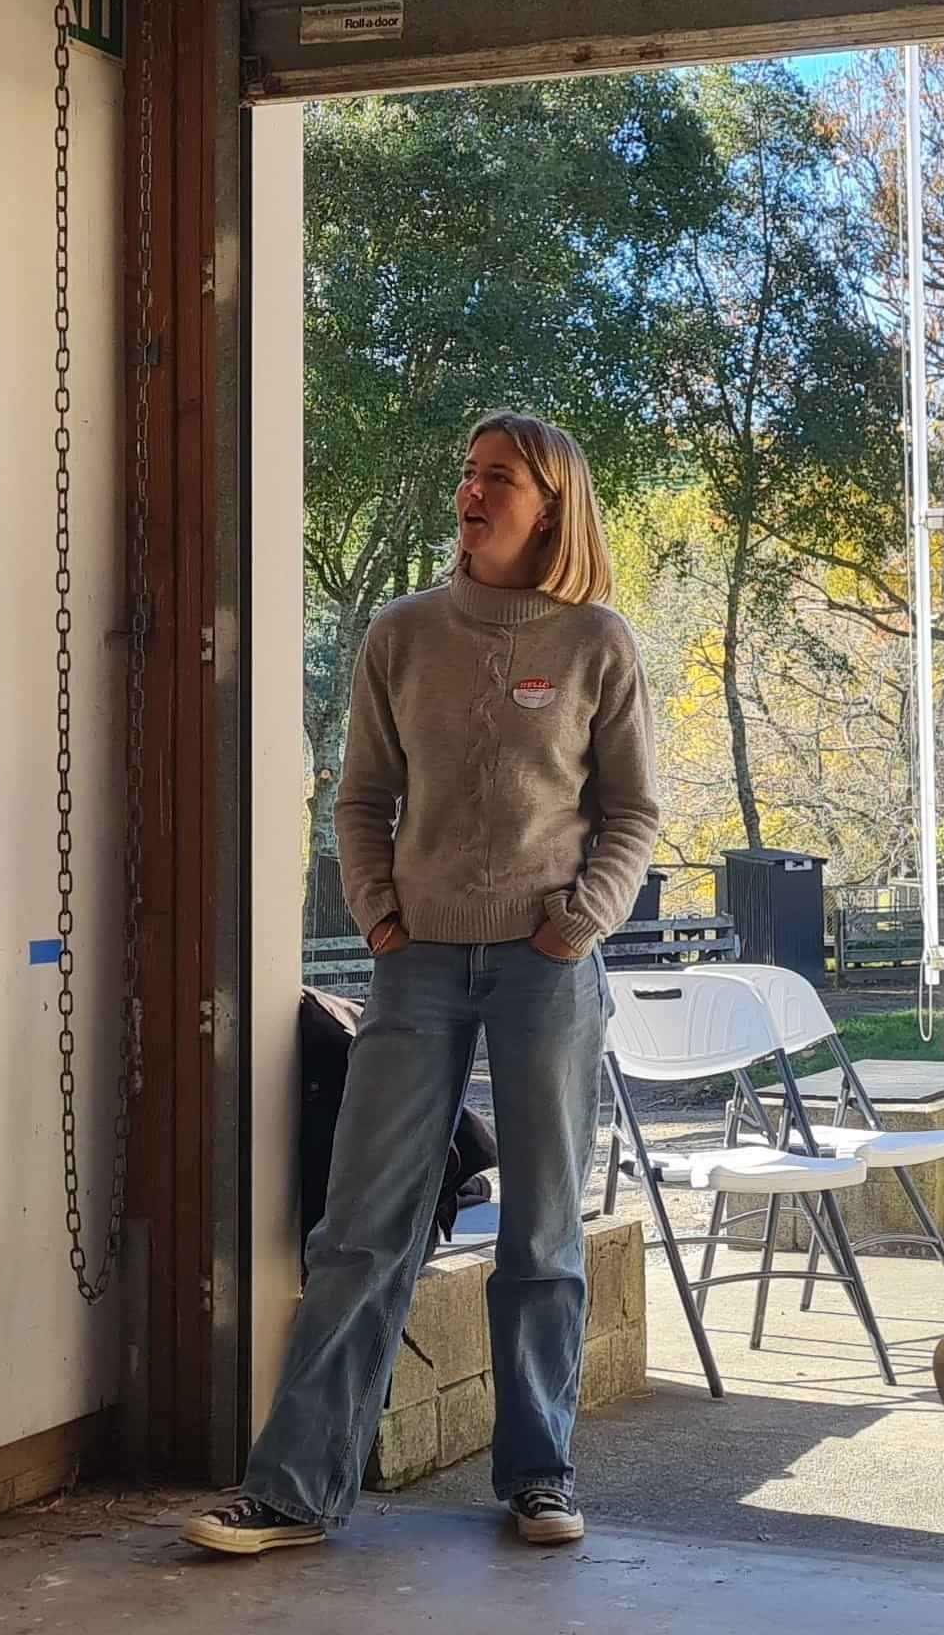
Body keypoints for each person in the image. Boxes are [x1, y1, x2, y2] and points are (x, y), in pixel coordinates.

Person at [189, 413, 660, 1557]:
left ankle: (539, 1477)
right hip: (419, 969)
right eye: (468, 472)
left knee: (543, 1229)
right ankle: (295, 1490)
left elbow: (631, 812)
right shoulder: (402, 634)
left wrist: (576, 922)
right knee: (359, 1229)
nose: (473, 489)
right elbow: (359, 800)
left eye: (499, 476)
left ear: (550, 505)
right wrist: (380, 916)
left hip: (549, 971)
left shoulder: (598, 640)